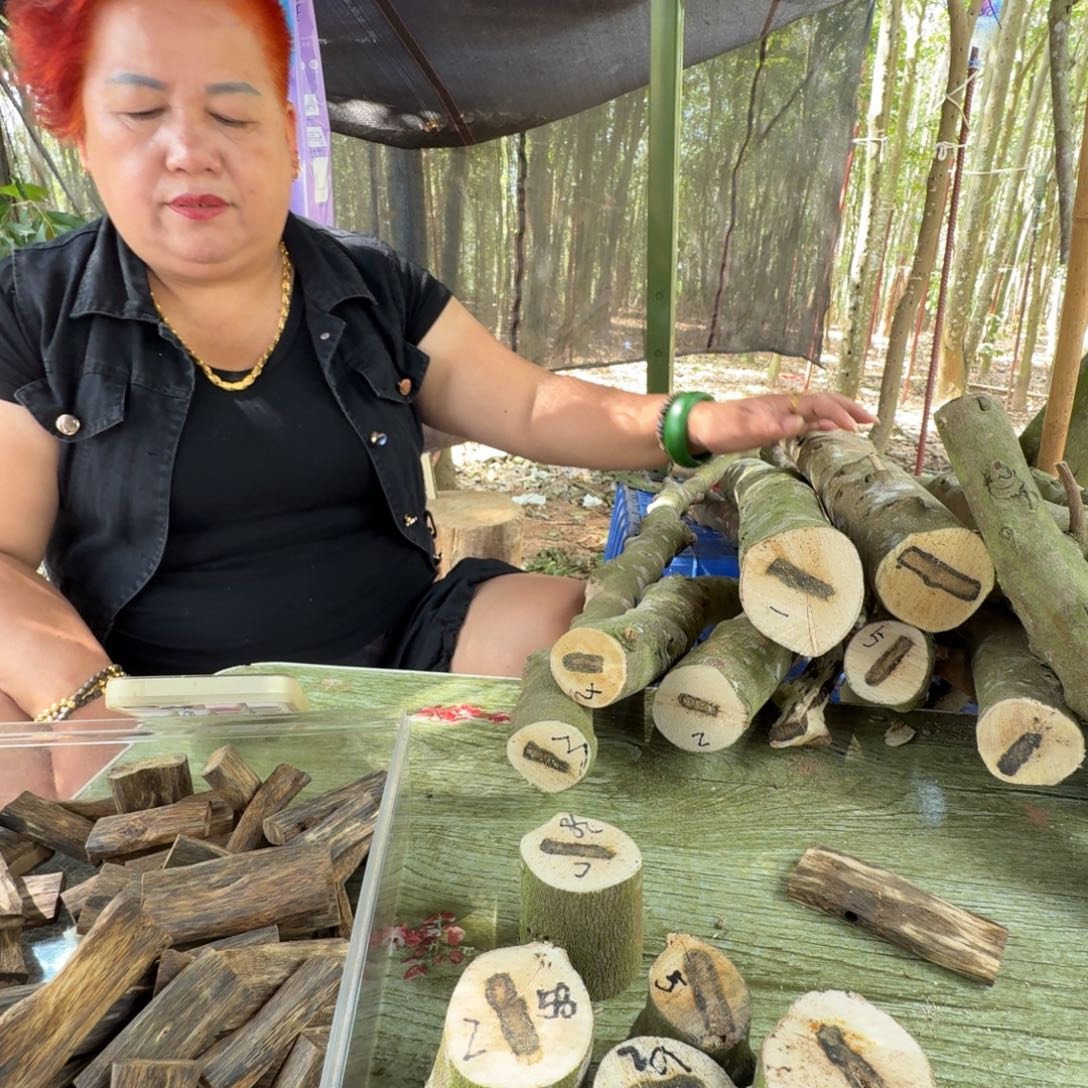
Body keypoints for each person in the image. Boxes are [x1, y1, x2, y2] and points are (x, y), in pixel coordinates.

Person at [0, 0, 873, 751]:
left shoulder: (370, 288)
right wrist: (91, 713)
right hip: (152, 694)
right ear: (79, 136)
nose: (189, 150)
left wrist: (692, 423)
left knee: (591, 640)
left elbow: (531, 402)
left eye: (232, 114)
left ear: (291, 135)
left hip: (404, 654)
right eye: (141, 112)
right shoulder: (32, 312)